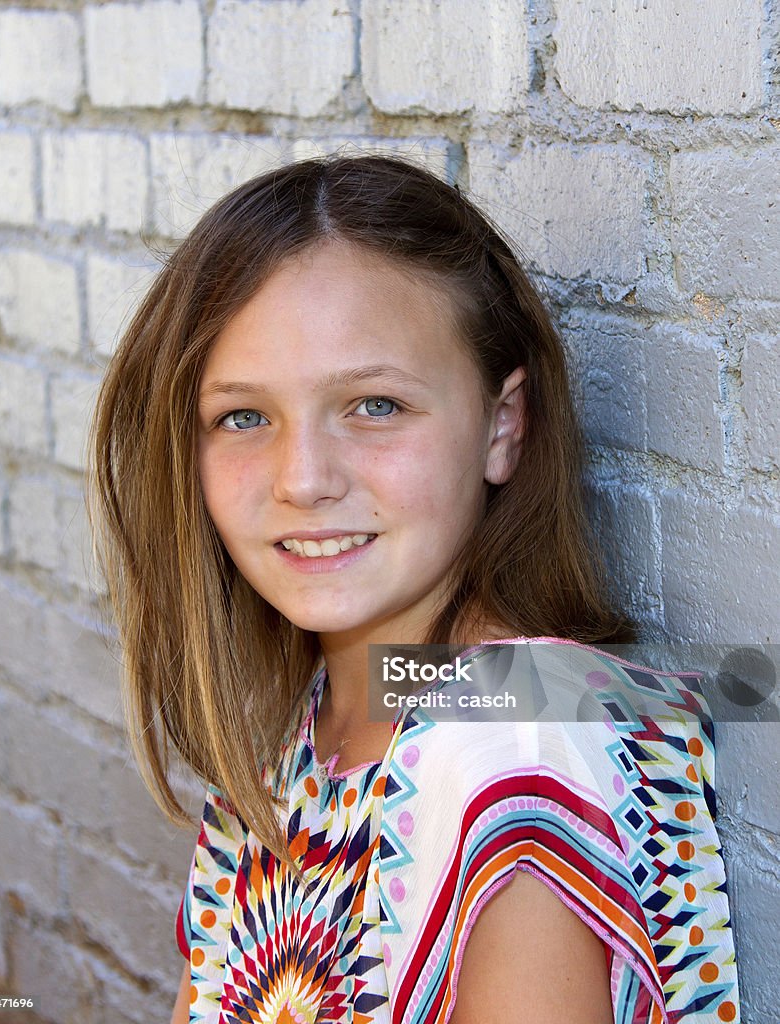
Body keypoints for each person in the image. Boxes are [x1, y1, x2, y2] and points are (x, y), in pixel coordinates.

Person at [89, 154, 739, 1024]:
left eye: (375, 406)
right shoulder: (301, 725)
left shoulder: (511, 760)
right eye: (243, 417)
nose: (304, 479)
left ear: (501, 425)